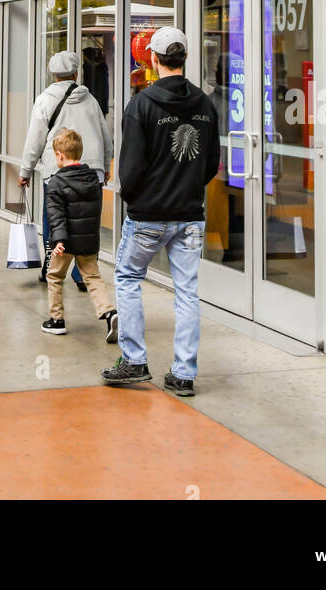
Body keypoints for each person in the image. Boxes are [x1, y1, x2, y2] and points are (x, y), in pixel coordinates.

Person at [102, 27, 219, 397]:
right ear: (184, 58)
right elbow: (211, 162)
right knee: (187, 292)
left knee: (127, 278)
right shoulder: (204, 103)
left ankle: (134, 360)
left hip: (148, 215)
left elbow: (131, 169)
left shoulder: (141, 105)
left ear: (153, 59)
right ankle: (184, 373)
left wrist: (135, 200)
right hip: (190, 214)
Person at [18, 50, 113, 288]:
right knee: (88, 222)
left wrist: (25, 171)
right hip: (91, 171)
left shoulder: (45, 100)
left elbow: (35, 140)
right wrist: (106, 164)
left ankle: (51, 265)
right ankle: (83, 275)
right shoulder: (90, 100)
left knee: (54, 219)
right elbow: (105, 136)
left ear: (53, 74)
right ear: (76, 72)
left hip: (56, 171)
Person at [41, 128, 118, 343]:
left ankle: (56, 320)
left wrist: (58, 240)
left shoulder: (56, 182)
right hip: (88, 241)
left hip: (64, 243)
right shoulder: (92, 179)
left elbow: (56, 216)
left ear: (60, 156)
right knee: (93, 277)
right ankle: (109, 312)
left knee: (54, 276)